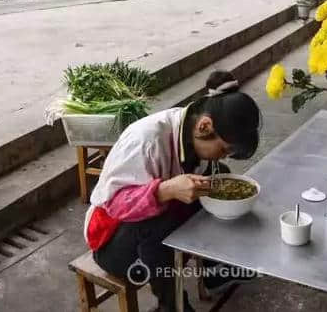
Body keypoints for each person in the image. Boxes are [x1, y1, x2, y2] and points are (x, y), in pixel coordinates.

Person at [86, 71, 261, 312]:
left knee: (219, 175)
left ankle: (214, 271)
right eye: (223, 149)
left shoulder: (190, 127)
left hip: (149, 227)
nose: (222, 154)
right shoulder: (147, 141)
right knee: (158, 223)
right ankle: (172, 306)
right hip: (112, 244)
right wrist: (165, 190)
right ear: (205, 126)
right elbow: (114, 204)